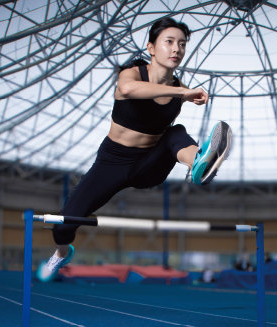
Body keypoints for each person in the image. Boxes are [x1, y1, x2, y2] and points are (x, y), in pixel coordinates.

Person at [36, 17, 233, 282]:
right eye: (170, 42)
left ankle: (198, 162)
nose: (177, 49)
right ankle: (61, 253)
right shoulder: (133, 73)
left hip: (147, 165)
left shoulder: (179, 89)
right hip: (112, 162)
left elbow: (168, 135)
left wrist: (181, 93)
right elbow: (127, 89)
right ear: (151, 48)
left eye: (182, 44)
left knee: (175, 132)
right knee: (65, 223)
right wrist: (181, 93)